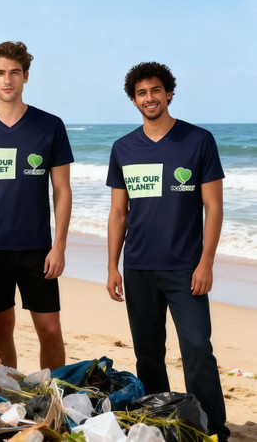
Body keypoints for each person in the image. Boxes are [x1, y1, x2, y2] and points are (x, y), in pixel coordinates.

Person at [106, 61, 229, 440]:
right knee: (148, 353)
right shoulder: (123, 147)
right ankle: (163, 423)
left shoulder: (198, 140)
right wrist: (112, 266)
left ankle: (212, 428)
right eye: (141, 93)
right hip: (139, 267)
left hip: (186, 267)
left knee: (196, 348)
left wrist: (206, 262)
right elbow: (118, 212)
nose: (149, 98)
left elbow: (214, 207)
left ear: (169, 92)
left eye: (155, 90)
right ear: (133, 100)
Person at [0, 41, 73, 371]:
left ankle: (54, 396)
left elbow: (62, 191)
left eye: (15, 73)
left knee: (50, 330)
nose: (8, 80)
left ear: (26, 77)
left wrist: (59, 246)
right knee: (1, 328)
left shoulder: (50, 126)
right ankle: (11, 394)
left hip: (38, 249)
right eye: (1, 73)